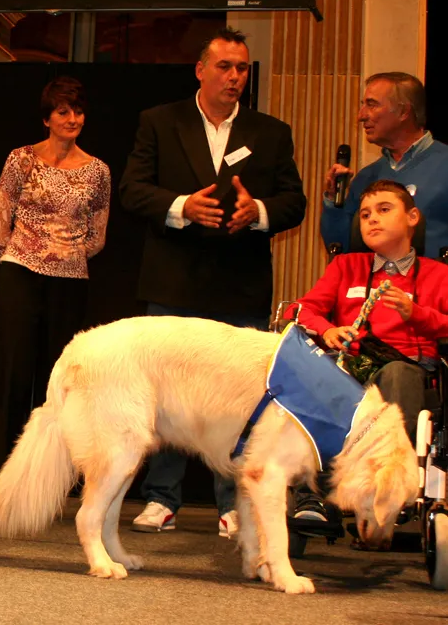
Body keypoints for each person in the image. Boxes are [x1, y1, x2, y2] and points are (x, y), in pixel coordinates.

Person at [119, 27, 307, 536]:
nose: (234, 76)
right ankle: (161, 498)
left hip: (239, 287)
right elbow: (133, 190)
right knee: (166, 397)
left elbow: (294, 202)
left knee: (239, 400)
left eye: (242, 68)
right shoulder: (159, 121)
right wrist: (182, 206)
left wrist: (258, 211)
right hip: (173, 283)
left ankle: (233, 503)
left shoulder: (271, 132)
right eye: (224, 66)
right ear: (200, 70)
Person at [290, 180, 448, 524]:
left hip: (407, 373)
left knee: (397, 374)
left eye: (383, 210)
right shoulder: (345, 266)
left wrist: (416, 314)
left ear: (412, 217)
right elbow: (299, 310)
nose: (372, 219)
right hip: (349, 371)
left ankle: (388, 484)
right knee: (317, 373)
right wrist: (327, 329)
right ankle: (312, 496)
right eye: (364, 215)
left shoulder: (439, 275)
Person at [0, 76, 110, 464]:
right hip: (20, 273)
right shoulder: (21, 159)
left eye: (78, 111)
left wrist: (64, 255)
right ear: (47, 118)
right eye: (63, 111)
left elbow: (97, 236)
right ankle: (9, 468)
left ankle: (50, 468)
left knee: (59, 377)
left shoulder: (98, 171)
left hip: (70, 282)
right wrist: (27, 255)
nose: (72, 119)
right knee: (16, 371)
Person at [321, 72, 448, 258]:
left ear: (404, 112)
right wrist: (334, 200)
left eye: (372, 105)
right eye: (363, 105)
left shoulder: (443, 164)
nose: (361, 116)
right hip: (376, 277)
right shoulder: (366, 178)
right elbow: (340, 249)